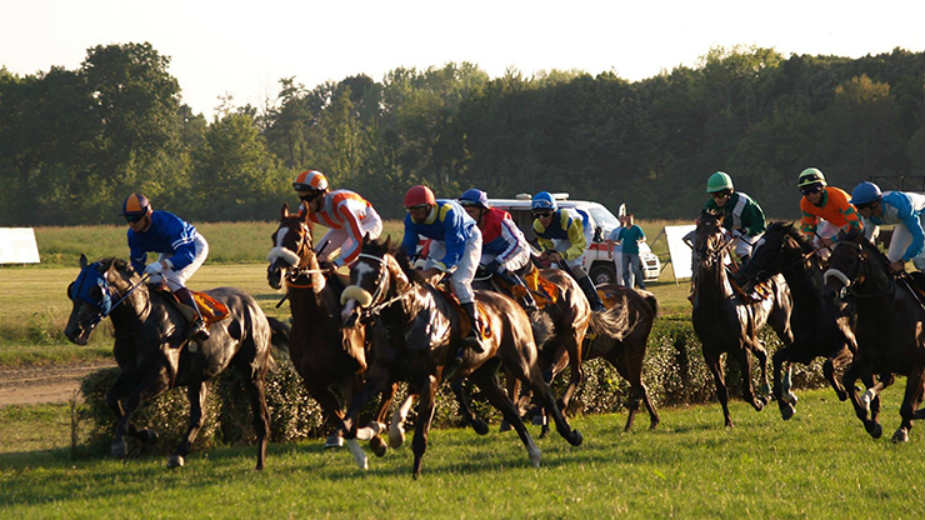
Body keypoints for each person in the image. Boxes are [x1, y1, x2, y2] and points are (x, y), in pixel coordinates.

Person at [401, 185, 484, 363]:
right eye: (410, 210)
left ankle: (475, 330)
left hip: (467, 240)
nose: (413, 214)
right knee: (424, 282)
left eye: (416, 210)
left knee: (459, 281)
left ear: (429, 206)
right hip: (441, 240)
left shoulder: (449, 213)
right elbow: (408, 246)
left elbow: (455, 252)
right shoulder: (411, 219)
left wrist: (435, 271)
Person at [123, 193, 210, 341]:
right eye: (128, 219)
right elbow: (137, 263)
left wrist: (161, 265)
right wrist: (140, 277)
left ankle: (198, 320)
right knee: (155, 282)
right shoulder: (133, 235)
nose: (132, 224)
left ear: (148, 214)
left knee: (172, 278)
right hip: (168, 250)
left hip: (192, 247)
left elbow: (186, 256)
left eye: (136, 219)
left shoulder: (168, 224)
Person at [458, 188, 536, 310]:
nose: (467, 216)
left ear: (483, 211)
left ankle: (528, 301)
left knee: (501, 268)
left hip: (517, 251)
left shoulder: (500, 220)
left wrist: (499, 261)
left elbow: (518, 243)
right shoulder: (465, 225)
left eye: (471, 211)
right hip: (491, 253)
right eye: (465, 211)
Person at [531, 191, 606, 311]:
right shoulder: (537, 226)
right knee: (554, 268)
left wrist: (562, 255)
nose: (541, 219)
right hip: (565, 234)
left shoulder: (566, 220)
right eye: (537, 215)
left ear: (553, 212)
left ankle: (597, 303)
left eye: (545, 214)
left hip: (583, 229)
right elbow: (545, 242)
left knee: (573, 265)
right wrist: (548, 251)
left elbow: (579, 245)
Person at [292, 170, 383, 268]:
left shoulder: (341, 206)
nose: (304, 203)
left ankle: (358, 280)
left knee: (347, 248)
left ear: (321, 194)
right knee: (317, 255)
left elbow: (359, 242)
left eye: (308, 198)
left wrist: (337, 263)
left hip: (368, 222)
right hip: (343, 226)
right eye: (301, 198)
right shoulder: (304, 210)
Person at [850, 181, 925, 272]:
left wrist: (902, 262)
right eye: (857, 208)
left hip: (921, 212)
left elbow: (920, 237)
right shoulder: (868, 216)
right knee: (891, 262)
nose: (859, 213)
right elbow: (867, 241)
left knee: (921, 261)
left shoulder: (900, 207)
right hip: (906, 218)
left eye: (861, 208)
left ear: (874, 205)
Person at [797, 167, 861, 258]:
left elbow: (855, 225)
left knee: (851, 249)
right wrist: (809, 241)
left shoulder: (837, 196)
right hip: (833, 224)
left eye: (815, 190)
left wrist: (832, 240)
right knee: (816, 245)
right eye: (806, 192)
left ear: (823, 188)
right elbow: (809, 228)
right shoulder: (805, 203)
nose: (811, 195)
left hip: (858, 223)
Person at [703, 171, 766, 262]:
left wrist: (746, 230)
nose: (717, 199)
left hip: (753, 230)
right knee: (718, 249)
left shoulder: (744, 203)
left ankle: (748, 274)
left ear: (729, 193)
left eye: (720, 195)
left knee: (741, 249)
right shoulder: (712, 205)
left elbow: (760, 225)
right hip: (732, 232)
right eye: (714, 195)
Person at [612, 214, 647, 289]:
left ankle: (642, 286)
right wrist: (612, 243)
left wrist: (640, 241)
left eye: (631, 219)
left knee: (635, 270)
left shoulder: (636, 228)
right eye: (628, 219)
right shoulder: (623, 230)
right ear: (626, 220)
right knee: (624, 271)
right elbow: (619, 241)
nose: (629, 221)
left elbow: (644, 237)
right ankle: (627, 288)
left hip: (634, 252)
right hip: (625, 252)